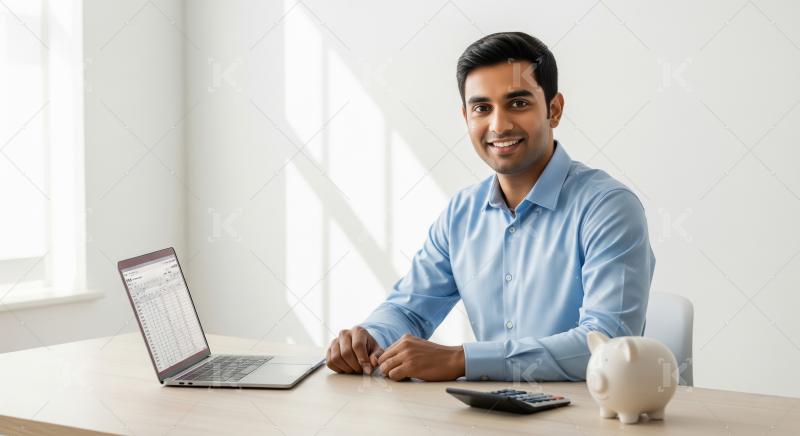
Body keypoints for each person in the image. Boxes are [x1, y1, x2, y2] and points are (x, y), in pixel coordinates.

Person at [326, 31, 655, 382]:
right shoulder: (462, 213)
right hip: (491, 415)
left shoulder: (608, 208)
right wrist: (369, 336)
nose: (498, 125)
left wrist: (464, 360)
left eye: (518, 103)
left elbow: (605, 346)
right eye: (482, 108)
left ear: (554, 110)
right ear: (466, 116)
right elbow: (409, 309)